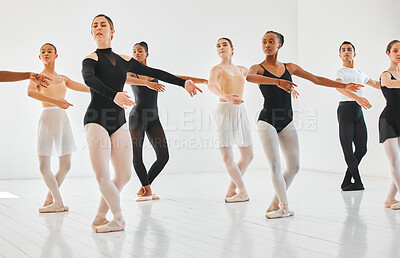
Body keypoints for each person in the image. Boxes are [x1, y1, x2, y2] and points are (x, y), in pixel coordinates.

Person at [82, 14, 202, 233]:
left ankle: (100, 216)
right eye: (95, 26)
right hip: (96, 120)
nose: (99, 28)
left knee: (124, 175)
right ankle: (118, 219)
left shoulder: (124, 60)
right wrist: (113, 95)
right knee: (102, 176)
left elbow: (154, 72)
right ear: (92, 33)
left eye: (103, 25)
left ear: (112, 31)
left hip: (118, 122)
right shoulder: (90, 59)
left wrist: (183, 82)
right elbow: (89, 80)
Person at [246, 31, 362, 219]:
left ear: (279, 45)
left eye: (271, 41)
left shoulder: (289, 67)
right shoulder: (257, 68)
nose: (267, 45)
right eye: (264, 42)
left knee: (294, 166)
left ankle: (275, 203)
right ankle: (284, 207)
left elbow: (316, 79)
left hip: (287, 121)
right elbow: (249, 77)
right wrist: (278, 82)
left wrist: (342, 86)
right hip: (267, 120)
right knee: (275, 165)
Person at [126, 41, 207, 201]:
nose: (136, 53)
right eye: (134, 51)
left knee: (163, 157)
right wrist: (146, 83)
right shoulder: (131, 73)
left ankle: (144, 188)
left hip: (153, 119)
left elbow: (175, 78)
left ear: (147, 54)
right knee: (137, 156)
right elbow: (127, 80)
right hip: (137, 118)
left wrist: (203, 81)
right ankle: (147, 190)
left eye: (140, 51)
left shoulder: (153, 73)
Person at [27, 43, 90, 213]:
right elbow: (31, 93)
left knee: (66, 164)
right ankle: (59, 202)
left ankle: (50, 199)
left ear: (56, 55)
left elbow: (88, 89)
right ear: (40, 57)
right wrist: (56, 102)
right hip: (47, 118)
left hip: (62, 120)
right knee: (43, 165)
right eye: (43, 52)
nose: (46, 53)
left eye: (49, 51)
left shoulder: (63, 78)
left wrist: (107, 91)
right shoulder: (37, 77)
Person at [208, 38, 253, 203]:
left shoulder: (242, 70)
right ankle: (242, 191)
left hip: (240, 111)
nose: (221, 47)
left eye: (224, 45)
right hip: (225, 111)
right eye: (218, 45)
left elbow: (258, 78)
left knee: (248, 155)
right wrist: (226, 96)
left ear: (232, 48)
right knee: (227, 157)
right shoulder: (217, 69)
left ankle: (231, 189)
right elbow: (211, 85)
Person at [335, 41, 380, 191]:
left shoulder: (360, 73)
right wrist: (357, 98)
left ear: (354, 54)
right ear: (340, 55)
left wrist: (392, 82)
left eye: (349, 49)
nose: (346, 52)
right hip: (346, 110)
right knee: (348, 149)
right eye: (343, 50)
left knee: (362, 149)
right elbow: (337, 86)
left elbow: (376, 84)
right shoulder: (341, 72)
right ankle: (358, 182)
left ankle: (347, 180)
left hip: (358, 112)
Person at [379, 40, 400, 210]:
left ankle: (389, 199)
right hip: (388, 120)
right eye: (395, 50)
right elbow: (390, 84)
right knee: (394, 161)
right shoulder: (386, 74)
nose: (398, 53)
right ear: (388, 53)